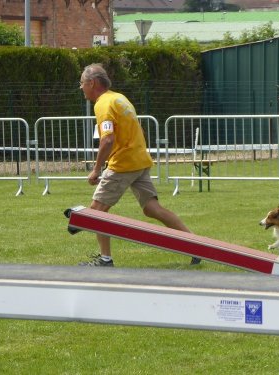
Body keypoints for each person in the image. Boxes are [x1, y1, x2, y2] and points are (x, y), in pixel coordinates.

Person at [78, 63, 201, 266]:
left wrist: (96, 169)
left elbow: (107, 140)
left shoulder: (102, 104)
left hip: (123, 164)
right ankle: (196, 244)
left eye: (82, 83)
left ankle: (105, 260)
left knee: (96, 212)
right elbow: (139, 129)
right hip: (139, 160)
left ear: (92, 83)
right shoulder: (120, 98)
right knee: (152, 208)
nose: (81, 87)